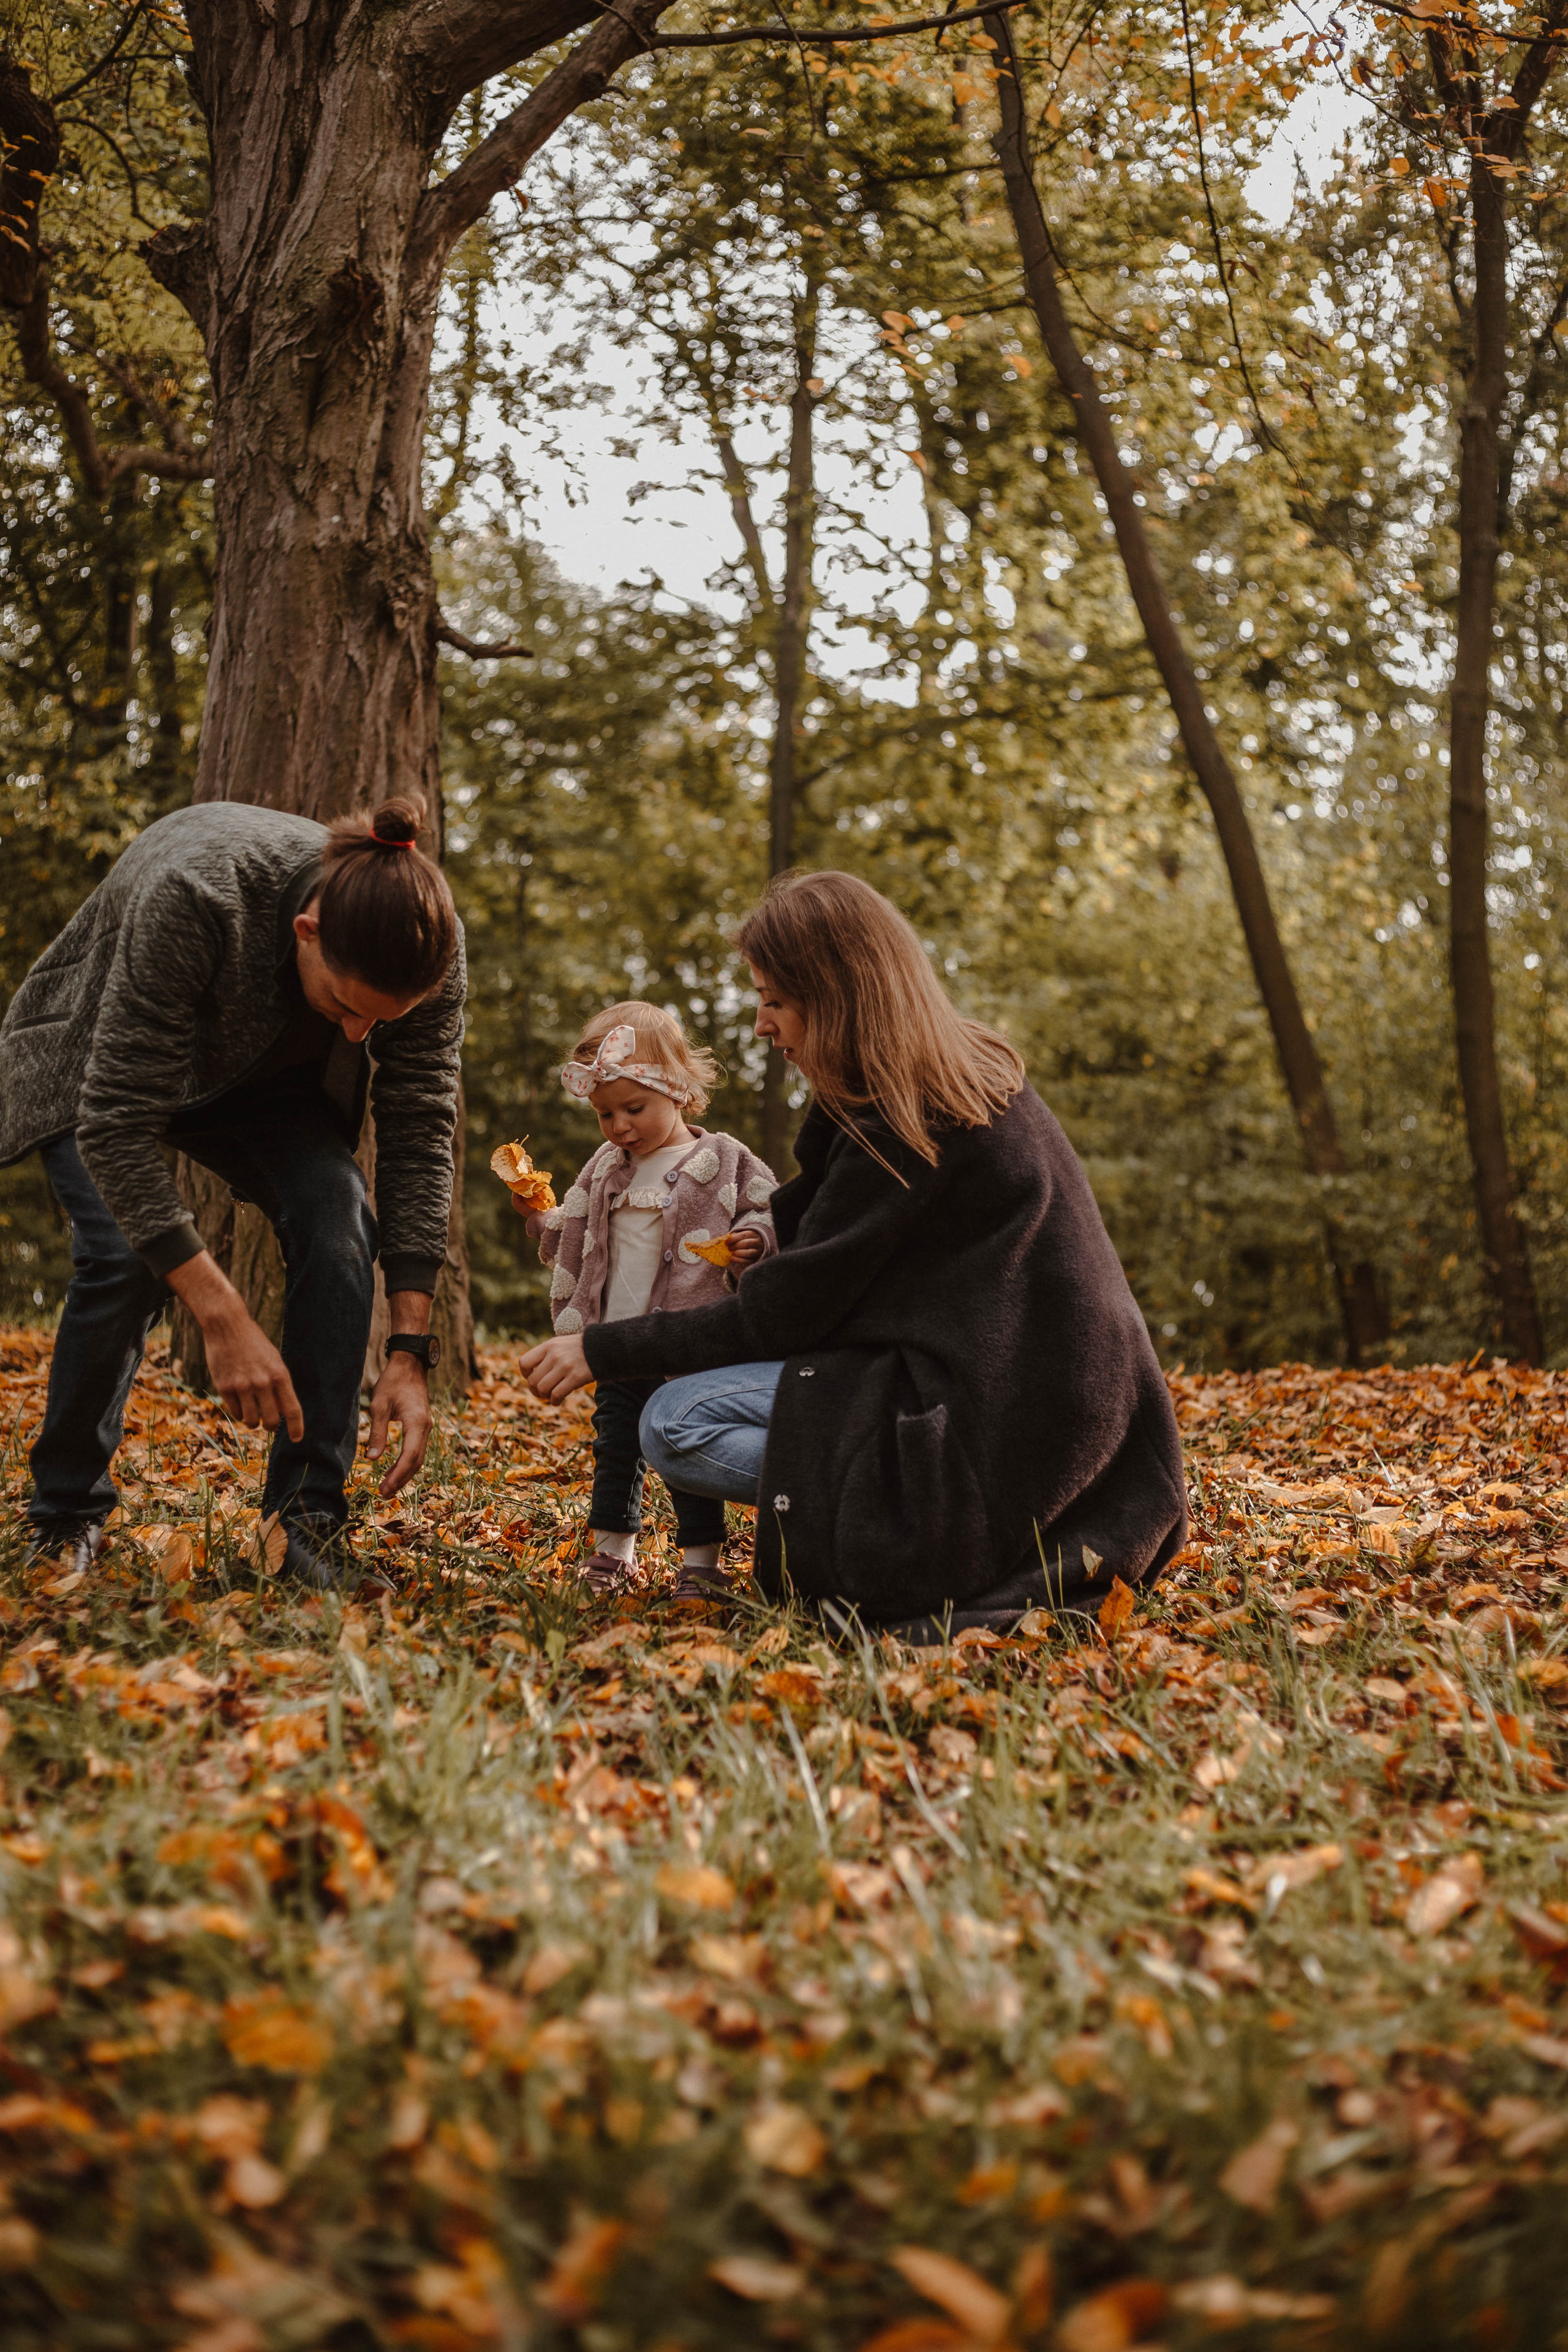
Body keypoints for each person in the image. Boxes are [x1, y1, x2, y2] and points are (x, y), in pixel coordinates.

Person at [520, 871, 1186, 1641]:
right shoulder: (934, 1083)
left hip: (1005, 1426)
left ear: (835, 994)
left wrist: (600, 1348)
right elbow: (825, 1258)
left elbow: (788, 1314)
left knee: (674, 1421)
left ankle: (874, 1514)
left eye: (774, 1000)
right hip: (1024, 1397)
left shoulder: (908, 1120)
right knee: (685, 1412)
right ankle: (858, 1489)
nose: (763, 1026)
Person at [0, 794, 465, 1586]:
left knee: (338, 1214)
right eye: (346, 1009)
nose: (359, 1036)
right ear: (305, 931)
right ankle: (66, 1515)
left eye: (377, 1024)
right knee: (124, 1256)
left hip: (259, 1087)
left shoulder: (427, 950)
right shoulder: (200, 890)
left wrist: (410, 1347)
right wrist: (222, 1315)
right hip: (101, 1067)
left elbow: (420, 1128)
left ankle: (304, 1529)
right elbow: (115, 1124)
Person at [521, 1003, 777, 1597]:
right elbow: (576, 1226)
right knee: (616, 1449)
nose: (619, 1127)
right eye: (606, 1114)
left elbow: (767, 1208)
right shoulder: (606, 1168)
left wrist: (753, 1241)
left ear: (680, 1091)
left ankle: (702, 1563)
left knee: (688, 1460)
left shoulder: (721, 1159)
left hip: (690, 1345)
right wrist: (540, 1219)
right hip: (614, 1344)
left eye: (634, 1109)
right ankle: (612, 1555)